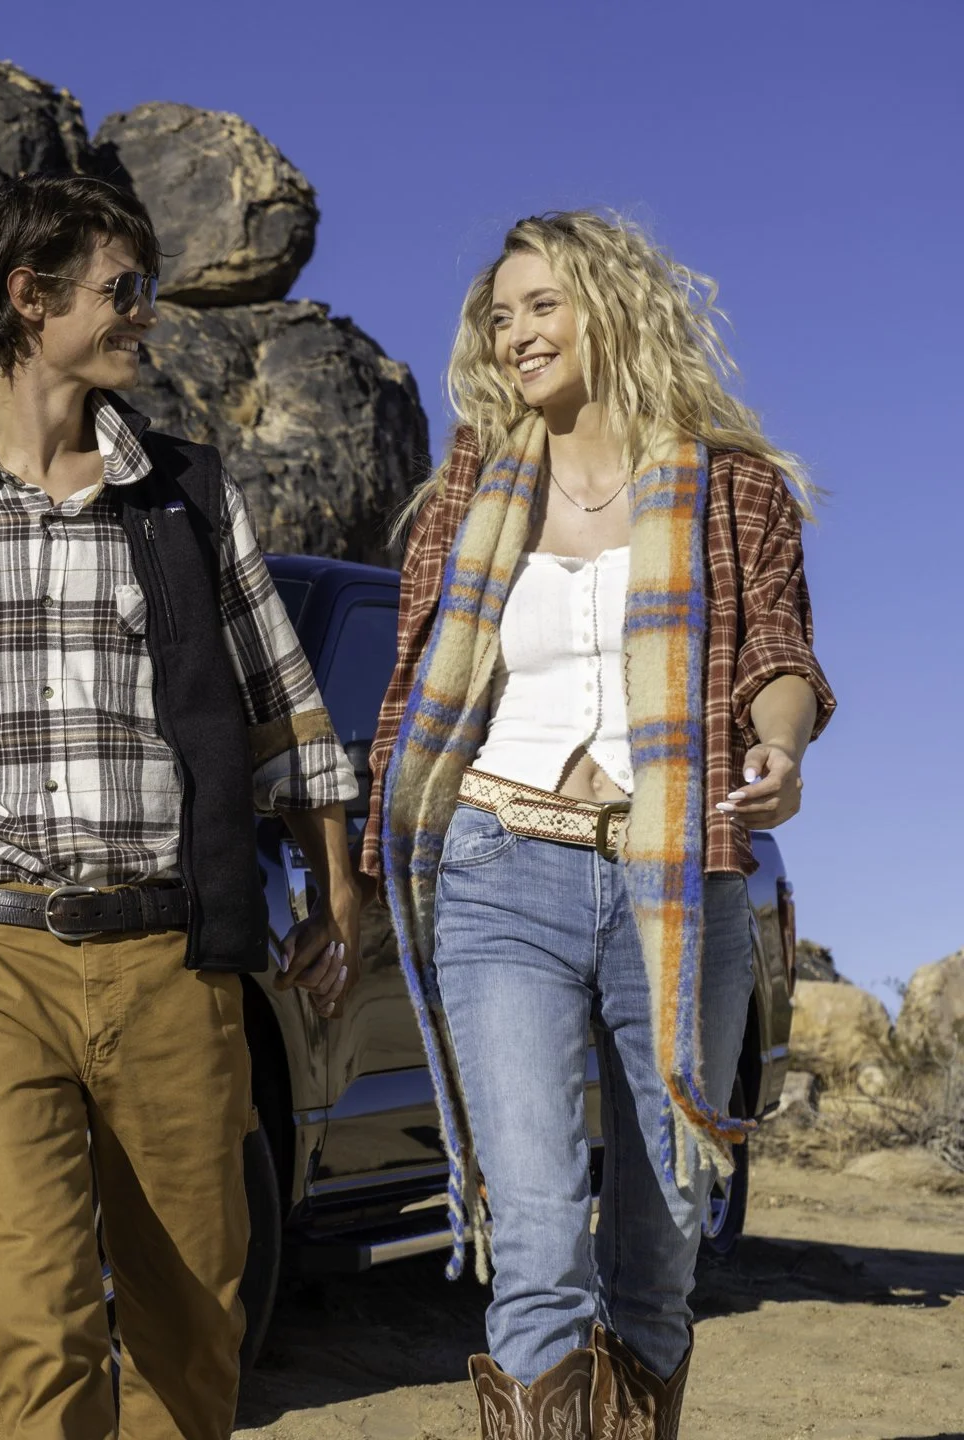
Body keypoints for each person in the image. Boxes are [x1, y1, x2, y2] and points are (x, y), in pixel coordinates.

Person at [0, 173, 363, 1439]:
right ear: (32, 298)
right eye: (126, 290)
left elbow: (283, 708)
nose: (148, 315)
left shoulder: (187, 497)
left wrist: (336, 887)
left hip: (171, 960)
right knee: (40, 1319)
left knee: (190, 1329)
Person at [364, 210, 834, 1438]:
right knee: (533, 1234)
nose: (515, 334)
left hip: (673, 877)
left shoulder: (730, 484)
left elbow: (779, 653)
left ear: (611, 309)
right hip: (499, 863)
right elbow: (418, 678)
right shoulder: (474, 485)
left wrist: (780, 745)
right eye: (499, 316)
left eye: (542, 306)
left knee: (658, 1250)